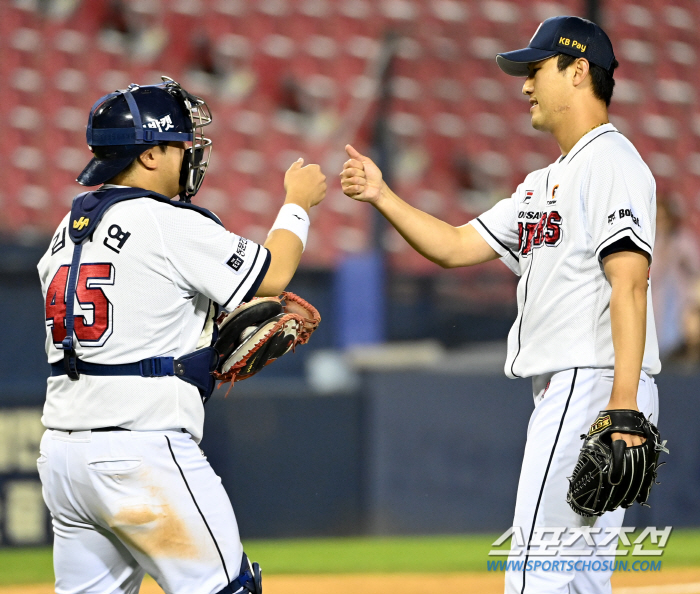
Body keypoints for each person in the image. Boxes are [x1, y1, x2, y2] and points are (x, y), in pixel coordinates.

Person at [341, 16, 659, 594]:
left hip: (592, 384)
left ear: (579, 70)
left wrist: (623, 405)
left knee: (533, 576)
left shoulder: (611, 162)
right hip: (579, 388)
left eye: (536, 69)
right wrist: (382, 195)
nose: (524, 85)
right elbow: (458, 244)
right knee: (578, 581)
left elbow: (630, 283)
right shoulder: (544, 181)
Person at [37, 77, 326, 594]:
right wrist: (297, 204)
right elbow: (273, 276)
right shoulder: (163, 220)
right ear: (150, 156)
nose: (191, 154)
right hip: (140, 451)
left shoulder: (68, 228)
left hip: (64, 458)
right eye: (180, 144)